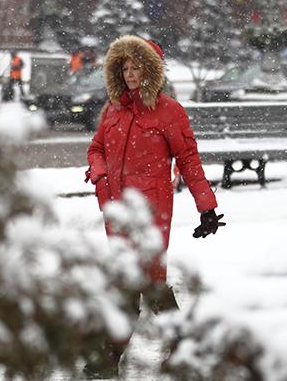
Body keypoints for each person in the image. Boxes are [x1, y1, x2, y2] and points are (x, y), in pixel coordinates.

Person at [84, 35, 225, 378]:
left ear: (151, 70)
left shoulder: (169, 112)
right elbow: (96, 149)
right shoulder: (112, 109)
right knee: (143, 284)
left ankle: (106, 361)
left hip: (151, 211)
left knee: (138, 282)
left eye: (137, 67)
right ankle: (186, 349)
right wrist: (101, 177)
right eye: (125, 67)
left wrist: (205, 206)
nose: (130, 74)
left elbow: (188, 159)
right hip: (116, 212)